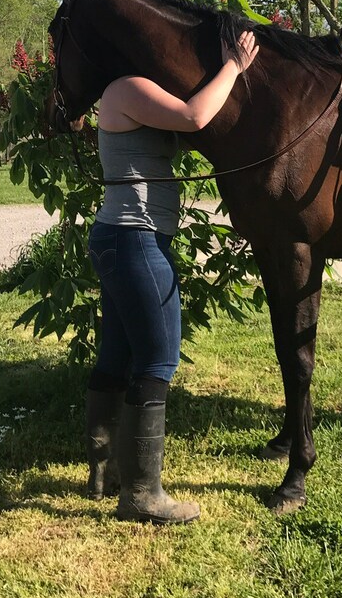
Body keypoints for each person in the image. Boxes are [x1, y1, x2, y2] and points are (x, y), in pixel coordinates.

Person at [81, 28, 259, 524]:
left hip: (124, 238)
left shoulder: (133, 93)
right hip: (134, 239)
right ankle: (141, 495)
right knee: (159, 358)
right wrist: (234, 65)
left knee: (117, 355)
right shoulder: (127, 88)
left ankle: (104, 472)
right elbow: (195, 116)